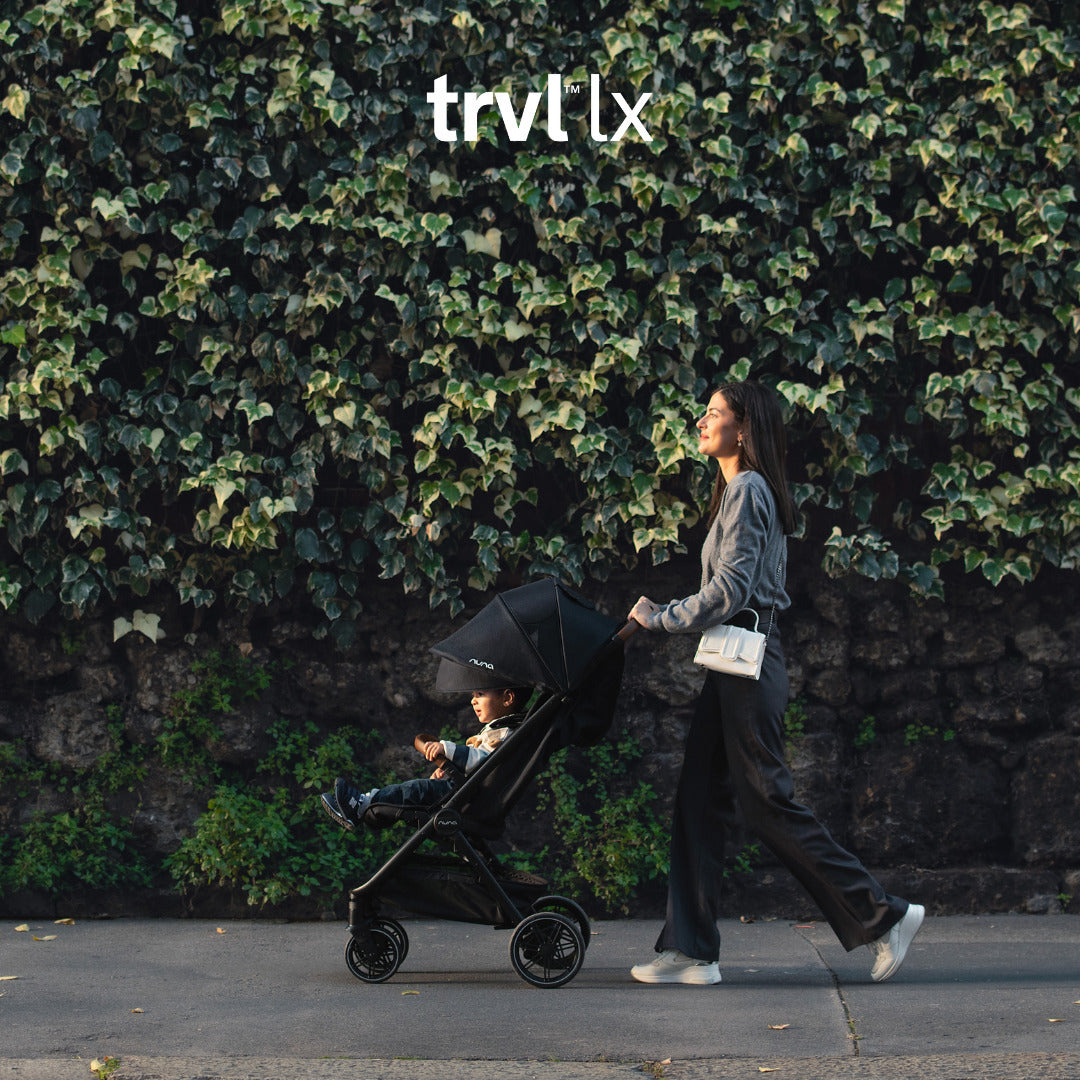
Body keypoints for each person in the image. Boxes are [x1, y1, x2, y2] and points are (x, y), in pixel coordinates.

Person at [626, 380, 924, 986]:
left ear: (744, 429)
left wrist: (659, 618)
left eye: (715, 412)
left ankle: (882, 916)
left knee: (767, 804)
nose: (702, 420)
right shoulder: (737, 491)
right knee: (696, 802)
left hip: (749, 664)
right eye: (705, 410)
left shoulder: (749, 490)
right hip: (730, 665)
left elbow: (730, 591)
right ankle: (692, 950)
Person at [320, 685, 531, 829]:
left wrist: (445, 749)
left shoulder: (504, 731)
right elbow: (482, 765)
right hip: (468, 792)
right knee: (414, 792)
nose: (473, 701)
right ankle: (367, 808)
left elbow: (483, 760)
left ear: (507, 698)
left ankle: (362, 804)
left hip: (468, 798)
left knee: (415, 790)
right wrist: (450, 771)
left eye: (480, 694)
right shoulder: (504, 729)